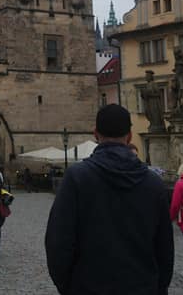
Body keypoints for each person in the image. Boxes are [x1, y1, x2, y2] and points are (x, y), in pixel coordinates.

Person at [45, 104, 174, 294]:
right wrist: (158, 287)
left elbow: (58, 242)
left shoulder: (77, 178)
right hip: (141, 287)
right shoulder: (153, 183)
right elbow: (165, 247)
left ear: (95, 134)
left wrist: (69, 287)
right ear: (129, 136)